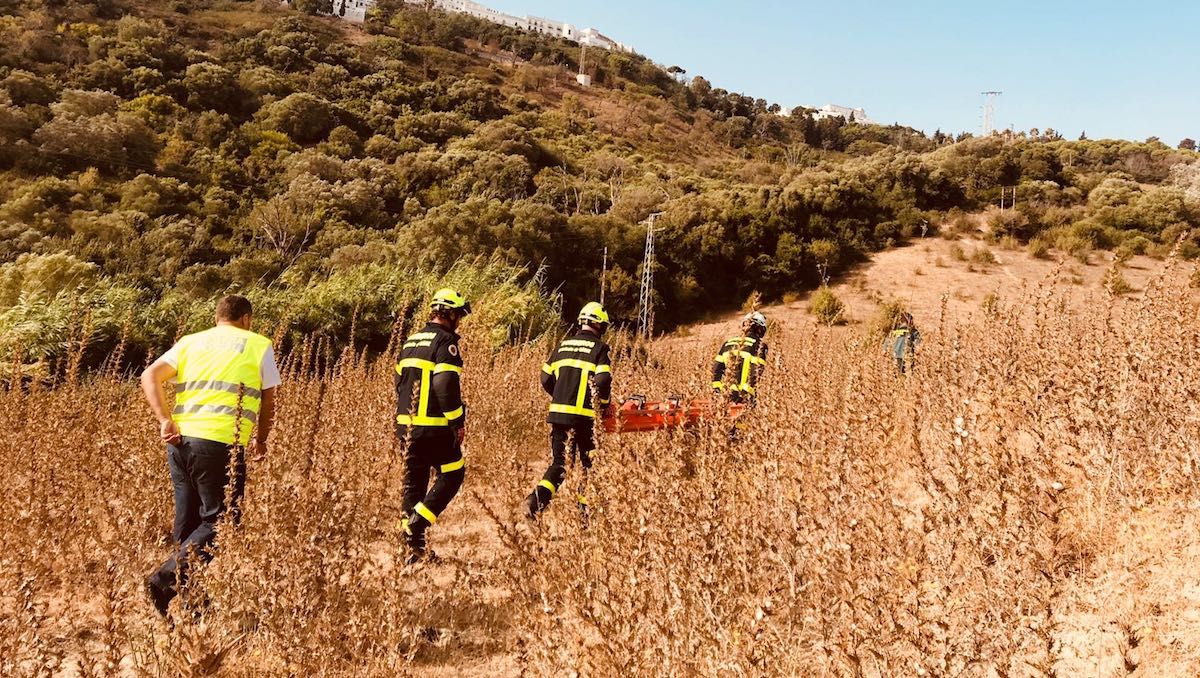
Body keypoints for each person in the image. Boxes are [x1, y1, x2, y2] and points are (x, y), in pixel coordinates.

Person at [141, 295, 280, 618]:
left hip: (180, 442)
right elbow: (268, 400)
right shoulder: (258, 344)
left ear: (217, 317)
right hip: (220, 442)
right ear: (246, 318)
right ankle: (164, 580)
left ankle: (193, 604)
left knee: (188, 524)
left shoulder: (191, 342)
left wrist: (164, 419)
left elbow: (149, 376)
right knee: (224, 520)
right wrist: (261, 439)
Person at [395, 288, 470, 564]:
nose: (459, 321)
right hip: (434, 427)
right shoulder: (446, 342)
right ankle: (417, 526)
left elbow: (398, 384)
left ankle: (412, 550)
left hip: (406, 427)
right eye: (458, 315)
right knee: (453, 473)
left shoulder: (411, 341)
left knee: (413, 484)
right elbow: (444, 384)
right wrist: (457, 420)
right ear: (449, 314)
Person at [526, 302, 612, 519]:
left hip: (558, 415)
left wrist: (560, 396)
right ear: (600, 326)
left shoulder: (562, 346)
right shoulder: (599, 349)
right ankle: (585, 516)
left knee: (560, 465)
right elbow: (603, 380)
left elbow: (545, 377)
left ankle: (534, 503)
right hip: (584, 419)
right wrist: (603, 404)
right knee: (589, 465)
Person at [711, 311, 769, 405]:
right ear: (760, 328)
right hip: (744, 398)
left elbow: (715, 370)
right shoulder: (760, 345)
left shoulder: (728, 343)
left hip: (724, 397)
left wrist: (717, 391)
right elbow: (757, 371)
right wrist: (746, 394)